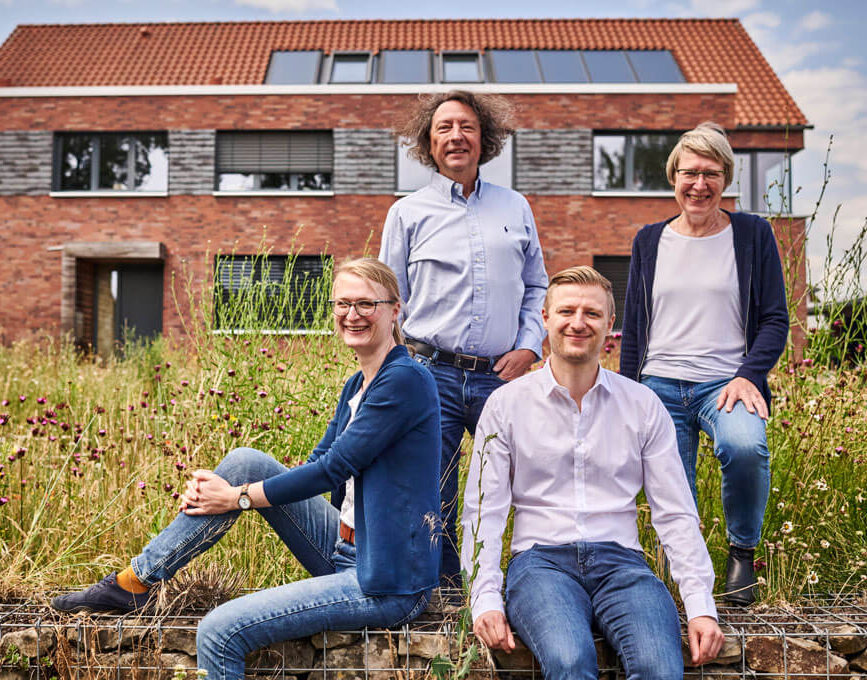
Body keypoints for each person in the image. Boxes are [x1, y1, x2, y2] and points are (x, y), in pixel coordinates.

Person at [52, 258, 442, 680]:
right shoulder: (358, 383)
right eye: (342, 304)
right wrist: (218, 491)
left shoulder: (404, 380)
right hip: (346, 548)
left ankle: (137, 583)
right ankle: (135, 581)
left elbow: (333, 469)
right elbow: (315, 463)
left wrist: (236, 497)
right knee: (243, 461)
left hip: (387, 580)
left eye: (366, 304)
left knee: (218, 631)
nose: (352, 315)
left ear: (394, 309)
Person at [462, 266, 724, 680]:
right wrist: (485, 600)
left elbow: (675, 512)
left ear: (610, 325)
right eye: (567, 311)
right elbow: (484, 512)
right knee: (569, 662)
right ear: (545, 318)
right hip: (539, 565)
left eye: (592, 313)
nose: (578, 323)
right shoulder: (506, 405)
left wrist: (700, 607)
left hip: (624, 564)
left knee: (660, 668)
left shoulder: (642, 405)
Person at [380, 90, 548, 586]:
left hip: (503, 376)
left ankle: (515, 580)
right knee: (435, 490)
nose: (456, 136)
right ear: (428, 144)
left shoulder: (515, 207)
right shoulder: (407, 213)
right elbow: (391, 300)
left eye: (467, 127)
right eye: (444, 128)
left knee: (516, 483)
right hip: (430, 372)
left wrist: (529, 345)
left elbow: (538, 284)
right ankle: (443, 591)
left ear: (485, 138)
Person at [619, 122, 789, 605]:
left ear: (725, 179)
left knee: (744, 447)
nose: (699, 184)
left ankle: (742, 553)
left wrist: (749, 374)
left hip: (726, 383)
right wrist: (628, 393)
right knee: (672, 483)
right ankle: (688, 574)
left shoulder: (752, 234)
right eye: (689, 172)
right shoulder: (648, 240)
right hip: (659, 382)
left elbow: (776, 319)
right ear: (673, 177)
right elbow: (633, 328)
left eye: (711, 173)